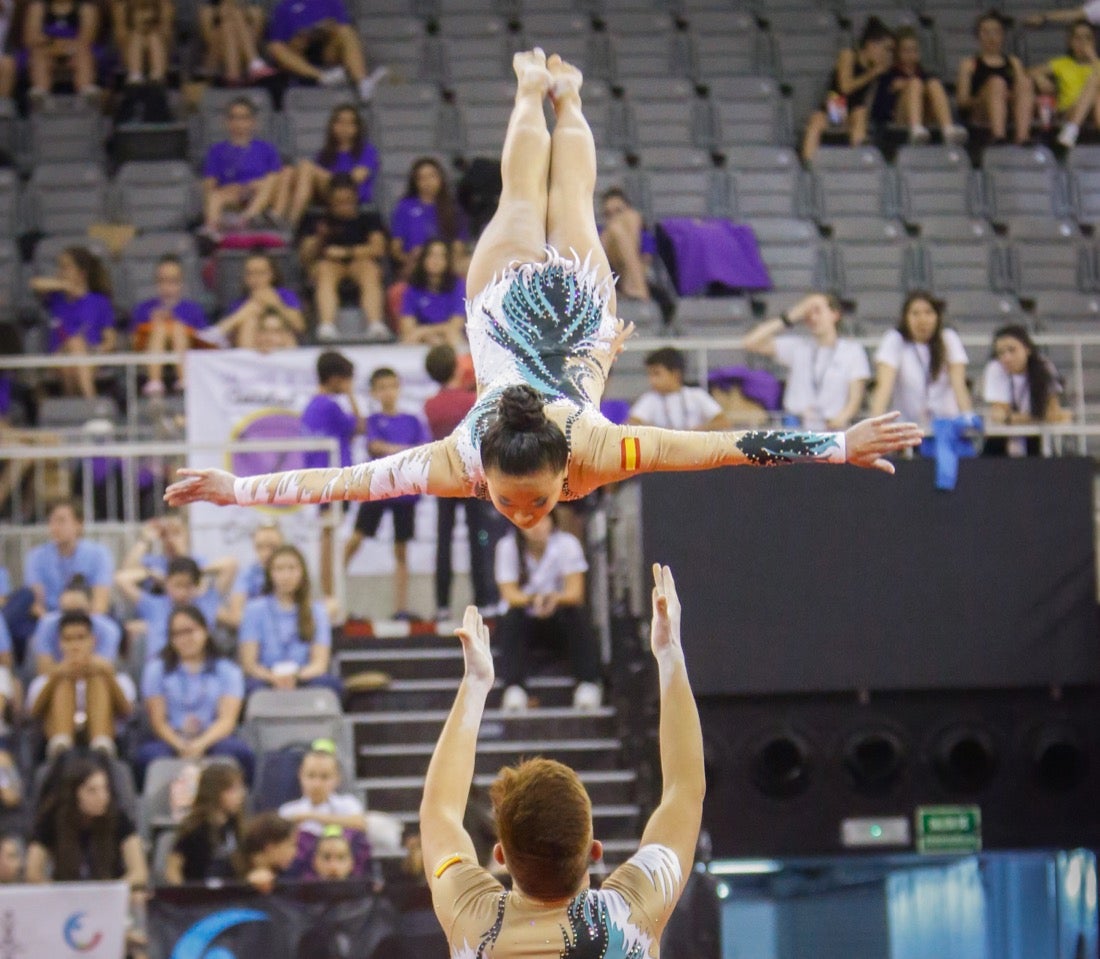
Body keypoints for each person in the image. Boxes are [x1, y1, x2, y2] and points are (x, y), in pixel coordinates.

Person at [165, 50, 924, 528]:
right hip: (565, 316)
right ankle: (554, 96)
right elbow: (726, 446)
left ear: (565, 468)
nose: (526, 511)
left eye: (528, 498)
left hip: (528, 313)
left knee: (529, 199)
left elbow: (725, 446)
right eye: (516, 498)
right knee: (558, 201)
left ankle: (543, 93)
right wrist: (833, 445)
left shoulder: (479, 458)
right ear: (492, 473)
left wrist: (237, 489)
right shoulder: (581, 446)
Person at [420, 565, 701, 956]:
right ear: (595, 850)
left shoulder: (472, 918)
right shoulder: (632, 914)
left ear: (500, 856)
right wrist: (670, 655)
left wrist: (475, 685)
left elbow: (438, 811)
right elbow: (684, 791)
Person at [343, 368, 430, 620]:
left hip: (404, 493)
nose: (388, 392)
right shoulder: (372, 421)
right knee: (355, 540)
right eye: (382, 387)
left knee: (401, 550)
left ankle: (400, 608)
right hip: (378, 490)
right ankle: (334, 592)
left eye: (392, 386)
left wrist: (394, 451)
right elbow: (374, 446)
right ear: (374, 392)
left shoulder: (412, 420)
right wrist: (404, 451)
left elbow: (423, 449)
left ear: (399, 388)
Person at [423, 345, 500, 622]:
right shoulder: (472, 400)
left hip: (445, 476)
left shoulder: (431, 404)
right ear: (457, 367)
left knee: (444, 540)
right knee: (478, 538)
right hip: (473, 477)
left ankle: (442, 604)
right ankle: (484, 599)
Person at [136, 604, 255, 784]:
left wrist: (201, 744)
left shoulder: (228, 670)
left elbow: (227, 720)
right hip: (172, 738)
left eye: (189, 631)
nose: (184, 639)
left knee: (238, 752)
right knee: (148, 756)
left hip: (213, 737)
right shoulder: (156, 669)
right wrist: (181, 745)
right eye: (177, 634)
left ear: (205, 630)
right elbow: (158, 721)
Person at [495, 511, 601, 712]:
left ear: (552, 521)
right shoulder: (506, 547)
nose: (536, 526)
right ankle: (514, 688)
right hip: (526, 619)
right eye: (530, 519)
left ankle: (588, 683)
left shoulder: (567, 544)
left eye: (542, 519)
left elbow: (576, 592)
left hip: (557, 619)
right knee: (511, 618)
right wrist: (534, 600)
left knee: (577, 614)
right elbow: (509, 593)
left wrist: (553, 599)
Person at [743, 293, 871, 429]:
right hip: (795, 425)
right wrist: (791, 316)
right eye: (808, 313)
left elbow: (855, 397)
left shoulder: (852, 351)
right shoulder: (798, 347)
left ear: (835, 314)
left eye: (818, 311)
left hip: (832, 426)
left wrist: (840, 420)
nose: (813, 317)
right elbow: (750, 342)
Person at [28, 610, 135, 757]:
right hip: (55, 738)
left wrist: (107, 674)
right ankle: (62, 742)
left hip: (106, 738)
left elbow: (127, 713)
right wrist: (56, 675)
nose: (75, 645)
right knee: (64, 681)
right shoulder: (45, 679)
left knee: (97, 679)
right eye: (68, 639)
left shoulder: (115, 676)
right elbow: (33, 714)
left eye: (81, 638)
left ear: (93, 640)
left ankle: (101, 742)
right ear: (60, 643)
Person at [26, 757, 147, 886]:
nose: (102, 797)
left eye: (105, 789)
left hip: (107, 893)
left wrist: (114, 890)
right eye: (92, 791)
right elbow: (33, 873)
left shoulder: (118, 816)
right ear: (74, 794)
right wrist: (57, 893)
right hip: (65, 895)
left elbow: (139, 872)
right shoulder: (52, 817)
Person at [238, 544, 340, 695]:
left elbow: (320, 663)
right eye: (279, 569)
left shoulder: (317, 611)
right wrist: (273, 677)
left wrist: (296, 676)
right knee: (248, 688)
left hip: (303, 675)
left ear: (302, 573)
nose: (286, 575)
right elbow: (249, 664)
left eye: (292, 568)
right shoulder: (254, 609)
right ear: (270, 574)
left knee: (330, 685)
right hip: (266, 677)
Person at [297, 174, 388, 342]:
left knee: (370, 270)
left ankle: (375, 324)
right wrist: (319, 238)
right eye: (338, 202)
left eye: (348, 201)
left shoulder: (368, 216)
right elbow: (305, 256)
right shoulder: (316, 219)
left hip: (359, 263)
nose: (344, 206)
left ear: (355, 198)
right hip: (327, 266)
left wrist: (346, 252)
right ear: (329, 201)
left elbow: (378, 248)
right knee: (325, 271)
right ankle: (327, 325)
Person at [301, 350, 362, 595]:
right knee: (329, 538)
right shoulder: (331, 406)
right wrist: (351, 396)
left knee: (327, 536)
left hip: (319, 480)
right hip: (334, 481)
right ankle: (328, 593)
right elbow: (359, 426)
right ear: (337, 379)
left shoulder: (311, 406)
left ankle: (328, 591)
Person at [868, 292, 973, 427]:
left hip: (946, 424)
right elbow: (883, 388)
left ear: (937, 317)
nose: (922, 320)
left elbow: (959, 385)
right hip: (908, 425)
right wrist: (875, 424)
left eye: (928, 313)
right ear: (905, 318)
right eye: (915, 314)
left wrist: (967, 417)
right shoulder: (894, 340)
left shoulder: (949, 338)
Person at [801, 17, 896, 163]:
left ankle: (858, 162)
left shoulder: (877, 70)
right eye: (886, 49)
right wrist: (872, 74)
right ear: (871, 45)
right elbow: (845, 87)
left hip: (855, 110)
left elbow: (868, 101)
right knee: (816, 123)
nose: (887, 55)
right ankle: (808, 165)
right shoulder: (848, 55)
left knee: (860, 113)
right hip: (836, 103)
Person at [29, 247, 115, 399]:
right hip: (58, 356)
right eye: (60, 267)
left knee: (76, 349)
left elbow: (110, 339)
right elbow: (35, 283)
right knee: (74, 343)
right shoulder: (56, 298)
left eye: (66, 267)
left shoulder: (99, 302)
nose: (61, 272)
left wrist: (96, 350)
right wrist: (64, 286)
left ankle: (71, 405)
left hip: (89, 358)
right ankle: (91, 403)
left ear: (82, 273)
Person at [201, 98, 291, 241]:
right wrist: (229, 189)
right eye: (234, 118)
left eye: (244, 118)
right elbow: (209, 185)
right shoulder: (216, 151)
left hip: (261, 195)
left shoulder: (266, 148)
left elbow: (276, 180)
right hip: (232, 197)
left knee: (278, 177)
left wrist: (251, 186)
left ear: (253, 122)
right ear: (226, 122)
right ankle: (211, 232)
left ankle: (247, 219)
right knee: (215, 196)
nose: (239, 123)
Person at [264, 0, 387, 102]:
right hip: (299, 57)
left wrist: (328, 29)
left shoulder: (332, 3)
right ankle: (323, 77)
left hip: (326, 52)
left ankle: (362, 82)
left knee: (346, 31)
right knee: (275, 48)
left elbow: (342, 28)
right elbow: (276, 46)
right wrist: (298, 41)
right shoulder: (284, 8)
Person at [116, 555, 231, 661]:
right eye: (178, 585)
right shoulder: (154, 605)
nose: (183, 592)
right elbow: (121, 579)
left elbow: (230, 565)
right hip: (162, 669)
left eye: (188, 585)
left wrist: (195, 570)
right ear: (167, 584)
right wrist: (151, 573)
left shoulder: (206, 604)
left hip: (200, 668)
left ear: (196, 586)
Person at [982, 324, 1071, 456]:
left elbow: (1054, 412)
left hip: (1037, 436)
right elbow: (999, 415)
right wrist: (1038, 416)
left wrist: (1014, 418)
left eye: (1012, 350)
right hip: (1003, 438)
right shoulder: (995, 368)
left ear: (1027, 349)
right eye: (1001, 353)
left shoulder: (1044, 367)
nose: (1007, 358)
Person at [288, 104, 380, 227]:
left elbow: (354, 179)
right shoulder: (324, 154)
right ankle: (286, 221)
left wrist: (326, 176)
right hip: (327, 194)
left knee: (306, 166)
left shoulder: (367, 151)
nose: (344, 128)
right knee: (291, 172)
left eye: (350, 123)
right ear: (332, 126)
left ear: (357, 128)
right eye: (340, 123)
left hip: (353, 193)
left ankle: (291, 223)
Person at [130, 255, 210, 397]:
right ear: (156, 282)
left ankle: (184, 380)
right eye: (162, 281)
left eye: (173, 281)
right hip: (147, 356)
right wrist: (152, 325)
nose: (167, 287)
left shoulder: (192, 310)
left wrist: (175, 327)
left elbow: (204, 341)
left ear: (181, 283)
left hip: (189, 356)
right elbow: (133, 342)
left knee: (177, 328)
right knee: (160, 328)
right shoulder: (144, 309)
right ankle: (154, 381)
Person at [876, 26, 968, 145]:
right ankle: (916, 129)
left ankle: (948, 129)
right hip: (900, 117)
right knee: (915, 83)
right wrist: (897, 90)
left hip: (927, 116)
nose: (911, 54)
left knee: (933, 83)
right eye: (906, 50)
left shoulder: (925, 75)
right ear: (897, 53)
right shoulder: (889, 76)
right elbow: (880, 110)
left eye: (914, 50)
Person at [957, 10, 1035, 146]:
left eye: (996, 32)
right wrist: (989, 96)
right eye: (986, 32)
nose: (991, 37)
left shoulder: (1013, 62)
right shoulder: (969, 64)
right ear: (978, 36)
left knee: (1025, 83)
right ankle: (998, 136)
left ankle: (1023, 136)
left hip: (1008, 108)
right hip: (981, 112)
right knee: (996, 83)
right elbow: (962, 101)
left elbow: (1022, 90)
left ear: (1002, 36)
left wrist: (1005, 96)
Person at [164, 761, 247, 884]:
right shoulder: (194, 828)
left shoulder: (234, 826)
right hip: (199, 895)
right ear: (214, 792)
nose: (241, 795)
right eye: (233, 790)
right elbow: (173, 868)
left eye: (240, 788)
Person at [389, 157, 469, 279]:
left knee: (471, 265)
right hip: (415, 263)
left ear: (441, 179)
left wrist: (441, 260)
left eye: (432, 176)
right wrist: (409, 258)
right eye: (422, 178)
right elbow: (396, 248)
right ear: (415, 182)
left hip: (447, 263)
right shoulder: (404, 207)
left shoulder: (454, 208)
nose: (428, 182)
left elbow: (459, 246)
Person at [30, 575, 122, 679]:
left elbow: (106, 669)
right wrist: (68, 667)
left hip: (94, 679)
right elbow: (44, 670)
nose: (73, 618)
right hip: (58, 679)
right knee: (39, 684)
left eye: (79, 611)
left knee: (122, 683)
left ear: (91, 607)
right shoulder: (46, 624)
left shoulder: (108, 628)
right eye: (67, 612)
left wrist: (82, 661)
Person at [1028, 19, 1100, 148]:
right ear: (1070, 42)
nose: (1083, 43)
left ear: (1094, 42)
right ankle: (1071, 128)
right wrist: (1039, 77)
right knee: (1095, 85)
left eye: (1087, 38)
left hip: (1095, 112)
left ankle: (1070, 131)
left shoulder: (1097, 64)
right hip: (1068, 110)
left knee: (1096, 91)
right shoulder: (1062, 63)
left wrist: (1094, 59)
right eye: (1078, 38)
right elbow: (1027, 72)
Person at [211, 251, 305, 348]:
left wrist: (275, 304)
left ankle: (213, 333)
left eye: (261, 273)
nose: (255, 278)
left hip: (283, 346)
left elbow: (300, 327)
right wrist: (248, 309)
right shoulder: (239, 303)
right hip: (251, 346)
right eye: (250, 273)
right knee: (250, 319)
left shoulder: (285, 295)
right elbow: (229, 338)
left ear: (272, 274)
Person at [629, 347, 729, 431]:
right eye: (649, 375)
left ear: (675, 374)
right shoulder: (650, 399)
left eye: (656, 374)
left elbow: (723, 422)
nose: (651, 380)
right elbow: (631, 424)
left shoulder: (696, 395)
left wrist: (695, 432)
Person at [23, 0, 102, 104]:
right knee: (38, 54)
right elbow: (31, 37)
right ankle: (40, 94)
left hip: (75, 52)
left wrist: (66, 47)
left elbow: (87, 38)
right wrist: (54, 46)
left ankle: (86, 92)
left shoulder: (86, 8)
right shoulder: (38, 7)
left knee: (83, 53)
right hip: (46, 52)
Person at [398, 239, 467, 347]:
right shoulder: (412, 288)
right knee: (408, 338)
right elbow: (407, 327)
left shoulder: (458, 286)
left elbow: (456, 325)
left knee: (453, 335)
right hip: (422, 339)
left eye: (441, 256)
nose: (436, 260)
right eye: (431, 255)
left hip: (447, 336)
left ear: (448, 260)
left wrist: (425, 331)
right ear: (423, 259)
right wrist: (427, 336)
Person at [199, 0, 274, 85]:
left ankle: (233, 76)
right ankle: (255, 63)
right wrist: (221, 14)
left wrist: (243, 14)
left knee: (232, 21)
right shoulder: (207, 11)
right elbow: (209, 42)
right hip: (217, 57)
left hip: (244, 56)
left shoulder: (253, 10)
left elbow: (256, 40)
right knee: (227, 27)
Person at [223, 521, 282, 629]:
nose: (266, 553)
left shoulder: (292, 572)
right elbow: (236, 615)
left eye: (272, 547)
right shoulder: (247, 574)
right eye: (260, 547)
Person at [112, 0, 172, 85]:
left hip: (158, 42)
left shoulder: (163, 4)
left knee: (154, 38)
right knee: (136, 37)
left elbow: (166, 32)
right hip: (130, 46)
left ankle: (157, 77)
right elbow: (121, 36)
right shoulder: (122, 5)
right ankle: (135, 77)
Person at [235, 811, 297, 892]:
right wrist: (248, 885)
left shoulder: (285, 876)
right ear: (270, 847)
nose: (295, 852)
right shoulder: (231, 871)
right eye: (291, 845)